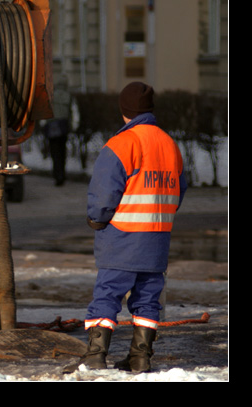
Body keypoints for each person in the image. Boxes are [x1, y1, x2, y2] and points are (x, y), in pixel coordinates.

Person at [63, 82, 187, 374]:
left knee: (107, 295)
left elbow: (104, 192)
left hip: (122, 236)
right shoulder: (169, 144)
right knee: (147, 299)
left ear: (124, 111)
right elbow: (179, 190)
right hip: (157, 238)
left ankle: (95, 355)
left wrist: (97, 218)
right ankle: (140, 358)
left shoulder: (121, 144)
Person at [43, 75, 72, 186]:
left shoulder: (51, 95)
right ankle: (62, 175)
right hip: (63, 125)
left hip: (51, 126)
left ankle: (57, 175)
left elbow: (45, 111)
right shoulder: (68, 96)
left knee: (54, 152)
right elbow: (73, 112)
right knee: (62, 152)